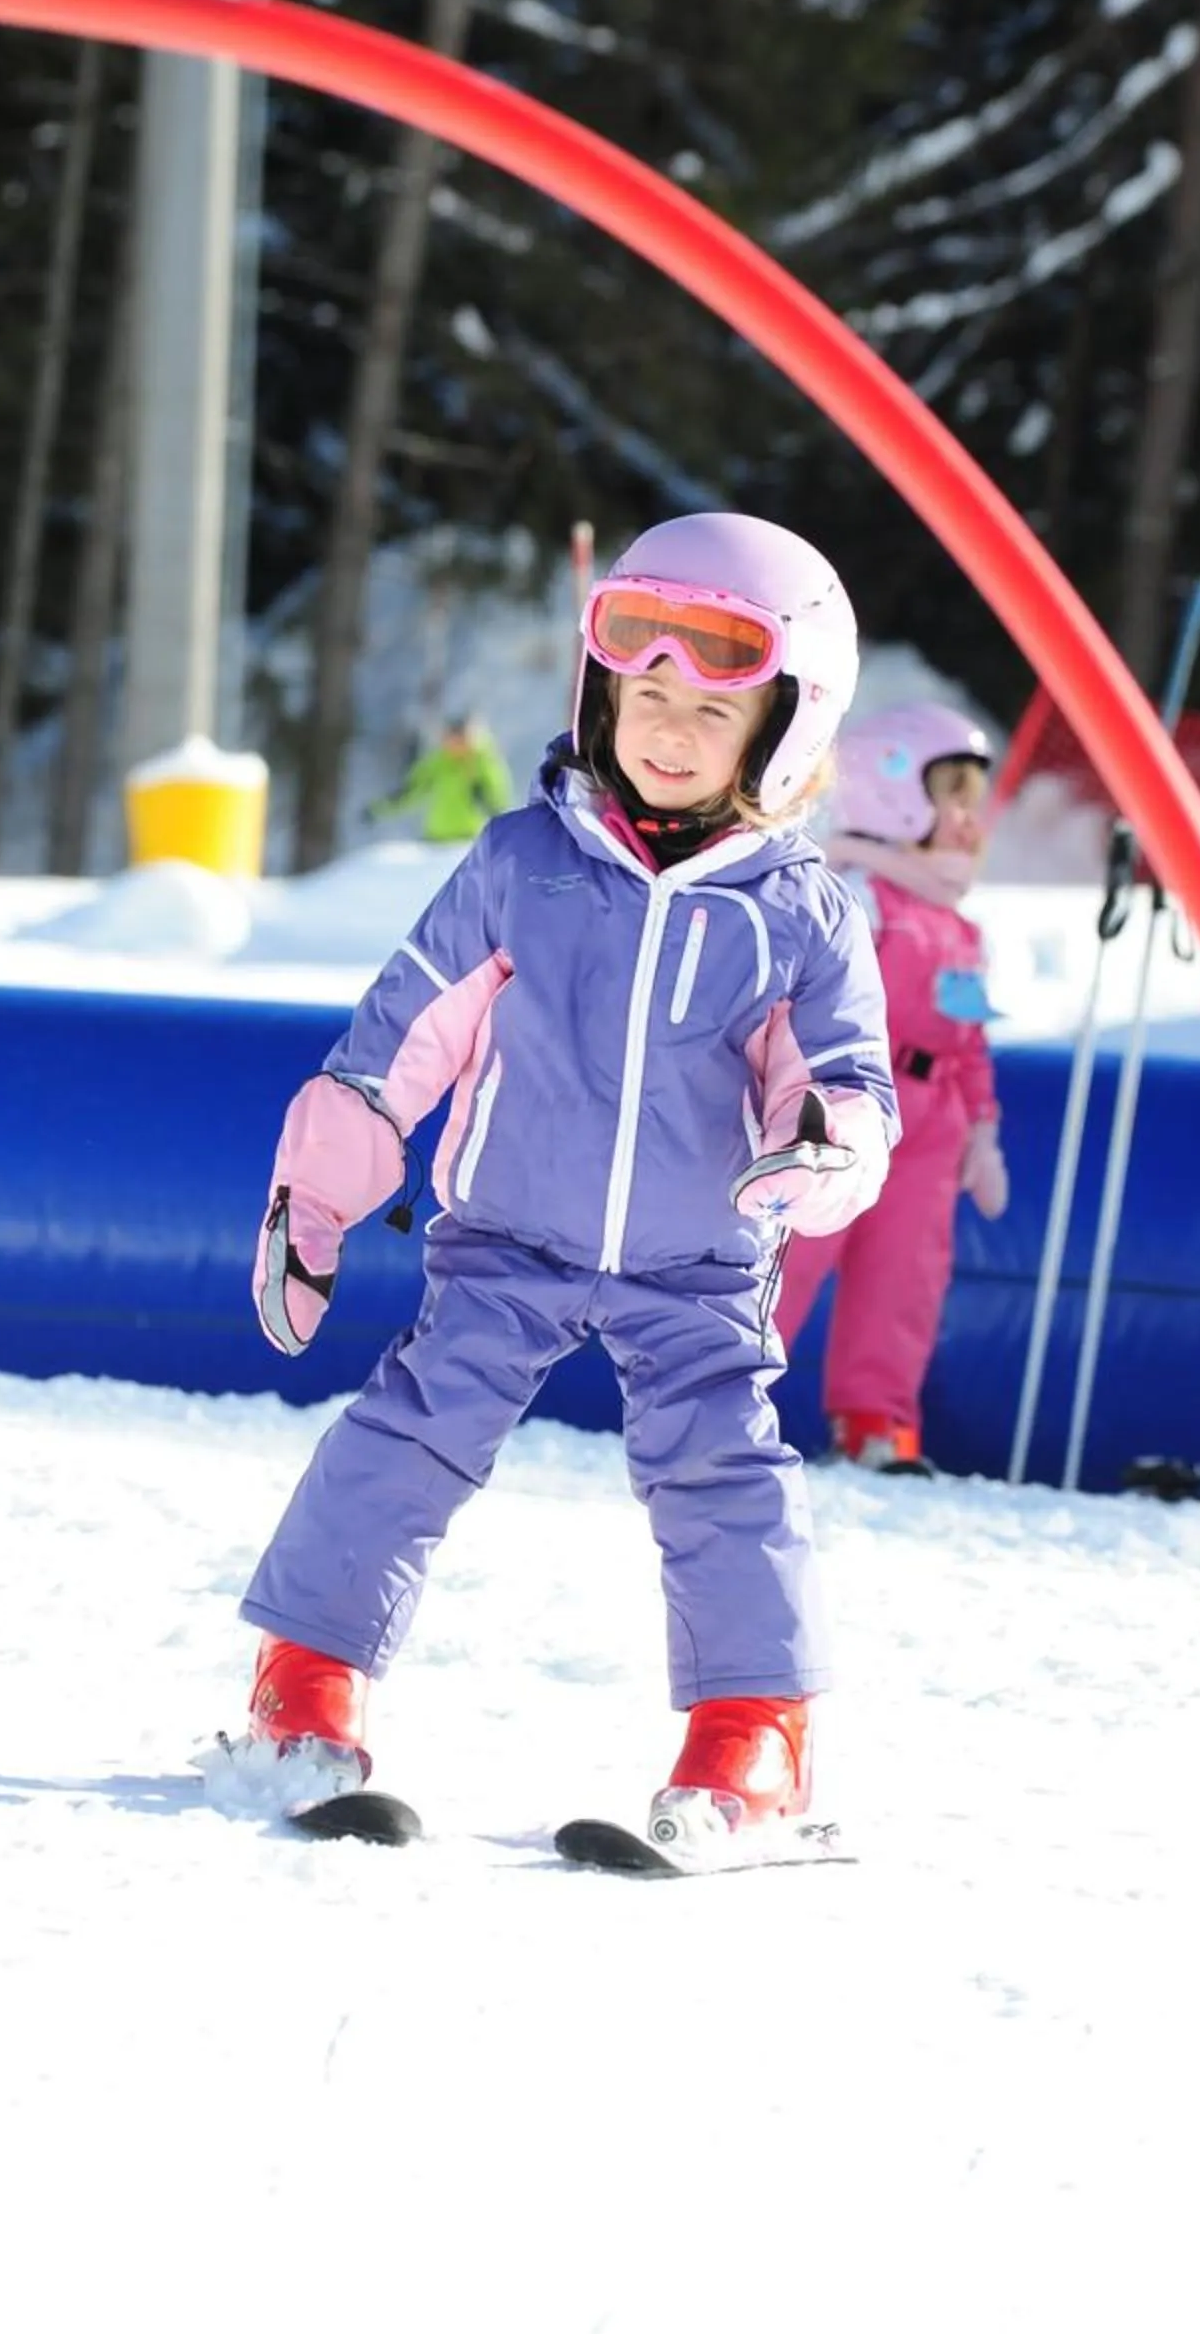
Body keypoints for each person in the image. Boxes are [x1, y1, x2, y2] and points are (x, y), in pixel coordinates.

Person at [219, 511, 900, 1843]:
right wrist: (321, 1191)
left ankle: (753, 1734)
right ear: (598, 694)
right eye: (645, 695)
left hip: (698, 1263)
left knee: (725, 1478)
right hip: (505, 1239)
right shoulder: (520, 868)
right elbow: (404, 1034)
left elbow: (840, 1083)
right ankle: (303, 1680)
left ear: (785, 731)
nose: (667, 729)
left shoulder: (799, 915)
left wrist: (819, 1147)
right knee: (407, 1437)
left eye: (711, 710)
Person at [774, 702, 1007, 1473]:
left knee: (904, 1276)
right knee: (794, 1252)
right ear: (896, 794)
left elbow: (969, 1039)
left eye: (976, 799)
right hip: (845, 1106)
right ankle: (716, 1393)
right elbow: (800, 1000)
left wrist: (981, 1128)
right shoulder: (858, 899)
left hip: (930, 1128)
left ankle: (876, 1426)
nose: (971, 820)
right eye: (956, 796)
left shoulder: (960, 928)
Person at [367, 713, 513, 842]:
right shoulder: (437, 763)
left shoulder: (485, 764)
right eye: (450, 738)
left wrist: (482, 796)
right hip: (436, 839)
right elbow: (409, 793)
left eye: (460, 738)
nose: (454, 744)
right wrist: (377, 809)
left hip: (468, 842)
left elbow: (499, 806)